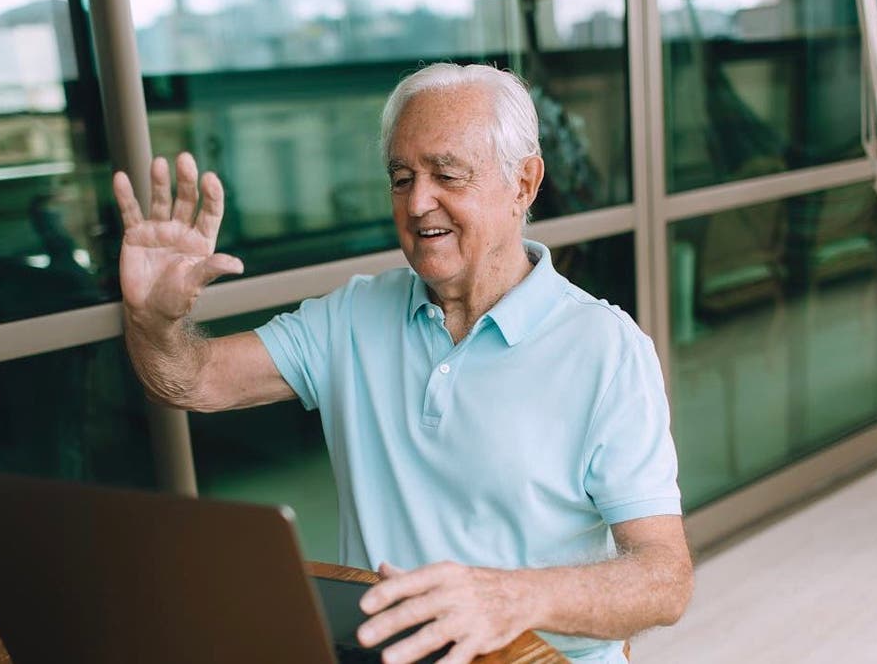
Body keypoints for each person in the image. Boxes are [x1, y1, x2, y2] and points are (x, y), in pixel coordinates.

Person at [113, 63, 692, 664]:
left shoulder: (606, 347)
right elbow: (193, 380)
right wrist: (153, 323)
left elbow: (664, 579)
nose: (418, 203)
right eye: (401, 177)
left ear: (523, 183)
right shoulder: (352, 315)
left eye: (447, 174)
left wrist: (507, 598)